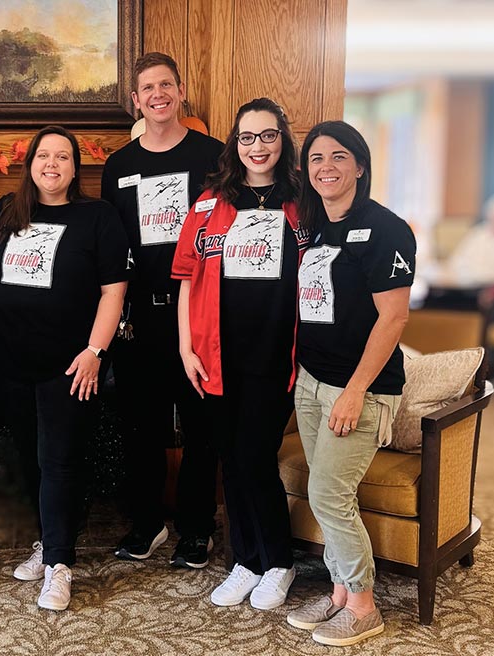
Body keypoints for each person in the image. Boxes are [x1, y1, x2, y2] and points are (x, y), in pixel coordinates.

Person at [172, 98, 307, 610]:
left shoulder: (304, 203)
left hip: (276, 355)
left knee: (255, 457)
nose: (257, 147)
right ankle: (247, 561)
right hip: (215, 356)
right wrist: (185, 346)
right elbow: (186, 278)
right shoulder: (209, 203)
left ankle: (278, 561)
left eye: (267, 136)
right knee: (230, 458)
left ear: (282, 140)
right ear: (235, 143)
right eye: (247, 137)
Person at [0, 126, 128, 611]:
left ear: (75, 166)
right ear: (30, 164)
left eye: (63, 156)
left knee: (61, 461)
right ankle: (47, 543)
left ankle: (60, 566)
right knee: (28, 455)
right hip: (9, 359)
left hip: (69, 363)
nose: (52, 164)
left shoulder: (98, 217)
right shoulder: (8, 212)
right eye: (43, 156)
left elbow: (113, 292)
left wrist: (95, 351)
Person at [287, 121, 415, 647]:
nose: (327, 168)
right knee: (327, 496)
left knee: (328, 493)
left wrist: (356, 390)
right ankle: (340, 592)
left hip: (358, 389)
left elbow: (394, 319)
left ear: (360, 166)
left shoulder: (385, 228)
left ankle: (363, 605)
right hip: (313, 381)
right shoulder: (319, 225)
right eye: (317, 159)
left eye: (339, 157)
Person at [101, 52, 223, 568]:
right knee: (141, 428)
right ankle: (147, 523)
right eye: (147, 88)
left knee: (201, 428)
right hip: (139, 320)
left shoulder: (214, 156)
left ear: (181, 90)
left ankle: (197, 529)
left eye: (166, 85)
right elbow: (110, 246)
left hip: (198, 314)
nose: (157, 95)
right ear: (135, 100)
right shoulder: (120, 166)